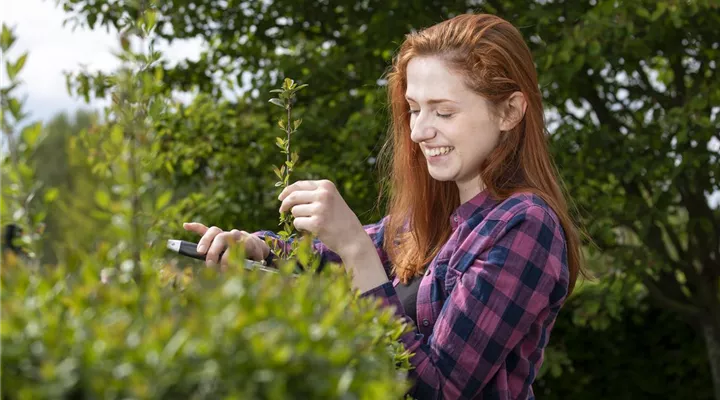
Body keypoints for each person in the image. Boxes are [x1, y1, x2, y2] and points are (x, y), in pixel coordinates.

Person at [183, 13, 587, 400]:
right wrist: (256, 248)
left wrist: (356, 248)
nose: (419, 131)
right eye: (414, 109)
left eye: (443, 111)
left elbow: (437, 389)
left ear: (509, 111)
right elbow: (323, 263)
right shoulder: (424, 222)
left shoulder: (524, 225)